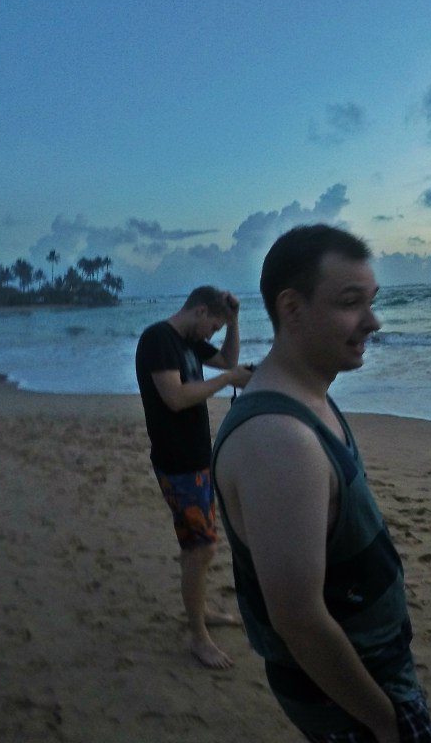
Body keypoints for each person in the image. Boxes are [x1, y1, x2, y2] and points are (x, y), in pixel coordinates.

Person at [210, 225, 431, 743]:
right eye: (351, 303)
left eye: (372, 301)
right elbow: (298, 619)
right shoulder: (279, 439)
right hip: (352, 703)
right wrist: (383, 721)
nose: (372, 322)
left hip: (372, 673)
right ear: (292, 308)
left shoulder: (310, 397)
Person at [135, 285, 254, 669]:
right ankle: (198, 637)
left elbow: (226, 359)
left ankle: (200, 612)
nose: (212, 334)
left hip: (197, 459)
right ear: (199, 311)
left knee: (202, 546)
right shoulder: (159, 339)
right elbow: (175, 397)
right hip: (178, 464)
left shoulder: (188, 341)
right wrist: (229, 379)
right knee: (199, 549)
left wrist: (233, 322)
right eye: (214, 326)